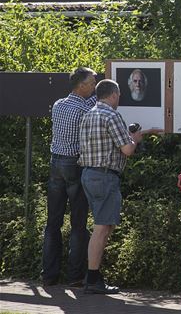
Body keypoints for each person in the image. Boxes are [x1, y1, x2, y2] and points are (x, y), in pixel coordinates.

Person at [78, 79, 143, 294]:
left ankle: (93, 277)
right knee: (101, 228)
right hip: (105, 176)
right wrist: (135, 138)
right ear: (113, 95)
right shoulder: (111, 115)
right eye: (119, 95)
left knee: (104, 227)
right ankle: (92, 279)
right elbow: (127, 150)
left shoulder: (88, 115)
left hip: (88, 174)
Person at [41, 67, 97, 287]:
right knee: (78, 223)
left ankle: (49, 275)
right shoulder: (86, 108)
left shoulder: (58, 104)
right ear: (81, 85)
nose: (94, 87)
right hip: (75, 164)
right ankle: (75, 276)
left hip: (56, 162)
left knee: (52, 223)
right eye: (92, 83)